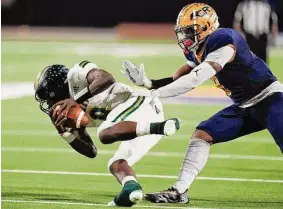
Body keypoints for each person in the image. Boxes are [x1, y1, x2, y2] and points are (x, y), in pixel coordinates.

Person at [121, 2, 283, 204]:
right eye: (183, 32)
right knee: (202, 134)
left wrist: (156, 95)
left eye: (189, 31)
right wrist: (149, 83)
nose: (185, 36)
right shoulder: (198, 49)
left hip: (270, 99)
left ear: (206, 27)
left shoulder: (223, 40)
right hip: (245, 106)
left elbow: (195, 79)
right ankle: (179, 191)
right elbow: (179, 77)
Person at [34, 61, 181, 207]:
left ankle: (159, 127)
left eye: (49, 98)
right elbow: (91, 151)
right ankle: (131, 189)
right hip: (140, 123)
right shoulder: (67, 113)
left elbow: (106, 78)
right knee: (116, 163)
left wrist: (75, 100)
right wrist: (64, 134)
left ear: (57, 87)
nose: (50, 104)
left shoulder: (76, 75)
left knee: (104, 133)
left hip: (139, 102)